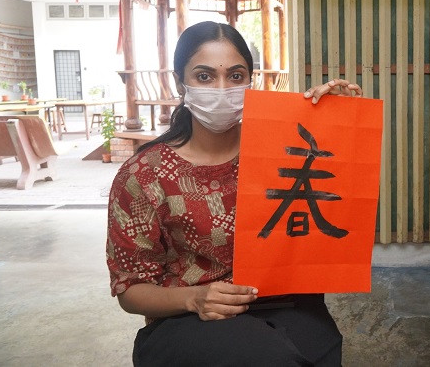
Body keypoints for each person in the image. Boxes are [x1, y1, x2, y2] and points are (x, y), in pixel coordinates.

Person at [106, 21, 361, 366]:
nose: (222, 89)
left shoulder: (282, 151)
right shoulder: (143, 175)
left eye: (236, 76)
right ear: (180, 82)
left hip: (287, 302)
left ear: (250, 82)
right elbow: (131, 290)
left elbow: (331, 207)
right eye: (205, 76)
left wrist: (333, 120)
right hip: (191, 317)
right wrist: (195, 298)